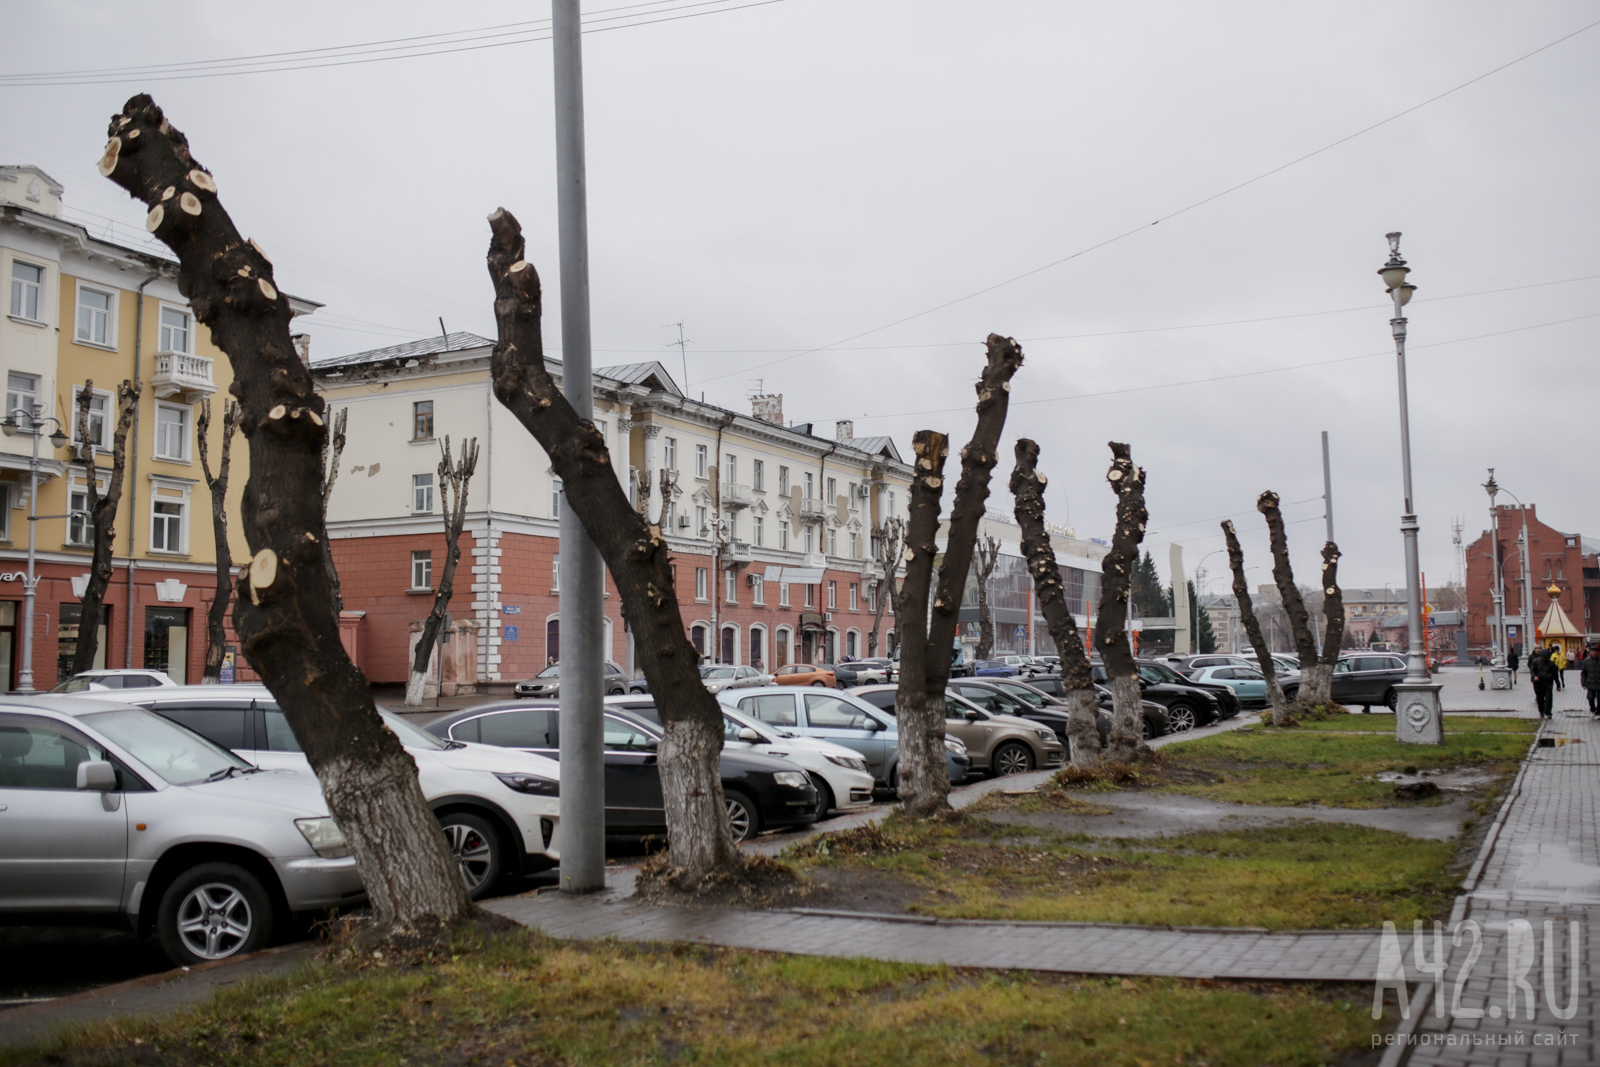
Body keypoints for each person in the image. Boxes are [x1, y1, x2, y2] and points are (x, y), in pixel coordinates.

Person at [1529, 646, 1557, 719]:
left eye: (1546, 657)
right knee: (1540, 698)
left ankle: (1548, 712)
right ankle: (1541, 711)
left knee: (1549, 697)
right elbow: (1532, 670)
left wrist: (1558, 684)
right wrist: (1534, 676)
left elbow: (1555, 674)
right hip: (1538, 682)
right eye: (1543, 657)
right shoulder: (1536, 661)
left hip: (1548, 682)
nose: (1544, 659)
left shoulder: (1551, 663)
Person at [1583, 647, 1600, 718]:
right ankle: (1592, 709)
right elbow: (1583, 673)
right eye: (1592, 651)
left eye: (1595, 651)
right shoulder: (1586, 661)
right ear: (1590, 652)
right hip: (1590, 683)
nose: (1594, 653)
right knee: (1590, 698)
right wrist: (1583, 682)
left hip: (1599, 683)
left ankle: (1599, 713)